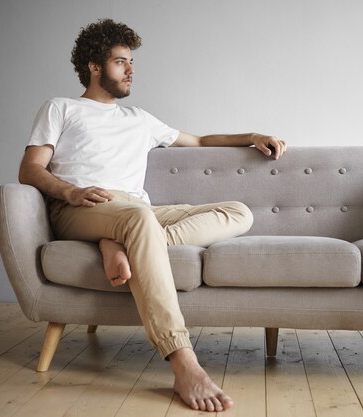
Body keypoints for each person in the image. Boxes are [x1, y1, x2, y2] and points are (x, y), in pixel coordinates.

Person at [18, 18, 286, 413]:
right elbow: (30, 170)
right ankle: (183, 360)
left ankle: (123, 243)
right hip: (82, 207)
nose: (130, 70)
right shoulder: (61, 108)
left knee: (238, 212)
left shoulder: (139, 119)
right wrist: (71, 192)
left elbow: (197, 141)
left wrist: (251, 136)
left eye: (131, 62)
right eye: (121, 62)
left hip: (135, 211)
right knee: (137, 220)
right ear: (95, 67)